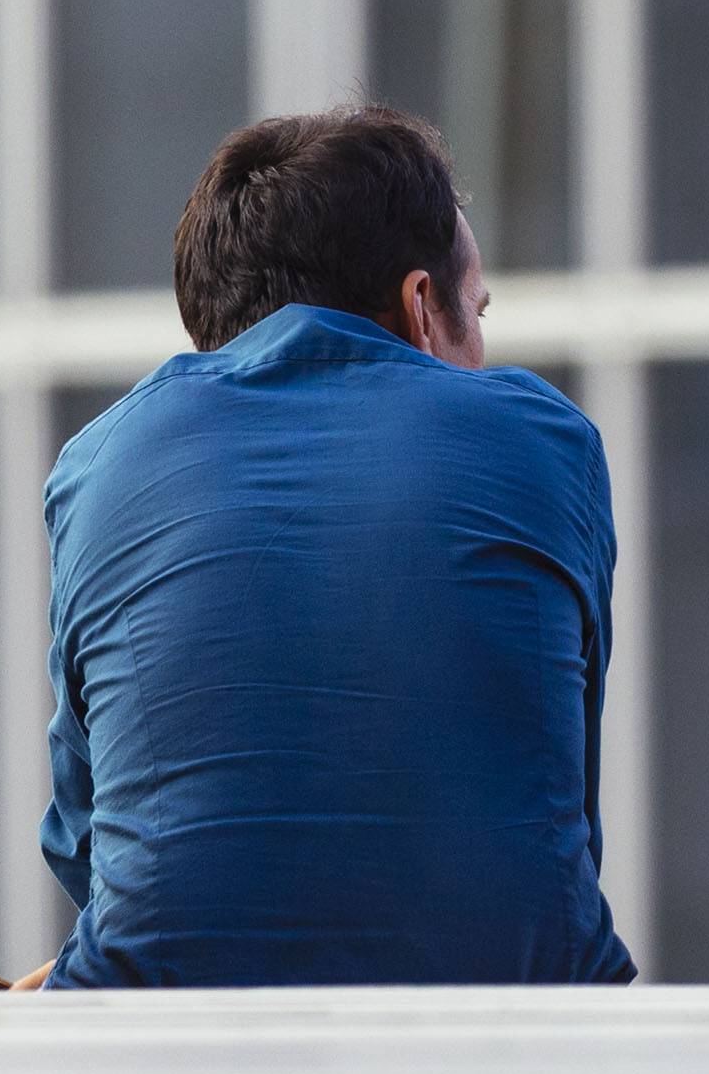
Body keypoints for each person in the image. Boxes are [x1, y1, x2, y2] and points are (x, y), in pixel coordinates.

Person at [31, 107, 631, 988]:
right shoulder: (546, 438)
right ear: (423, 306)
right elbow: (552, 812)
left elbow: (81, 835)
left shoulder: (98, 464)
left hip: (159, 1041)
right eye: (479, 307)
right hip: (516, 1030)